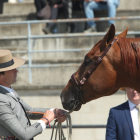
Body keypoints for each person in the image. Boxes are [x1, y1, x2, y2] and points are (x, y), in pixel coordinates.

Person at [0, 50, 66, 140]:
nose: (16, 71)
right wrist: (45, 120)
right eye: (12, 69)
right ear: (1, 75)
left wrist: (54, 112)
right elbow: (24, 135)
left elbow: (30, 111)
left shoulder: (9, 91)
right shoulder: (1, 100)